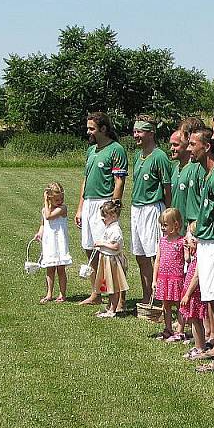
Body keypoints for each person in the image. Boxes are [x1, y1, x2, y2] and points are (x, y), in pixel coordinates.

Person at [75, 112, 128, 307]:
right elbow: (86, 179)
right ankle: (96, 293)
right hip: (89, 203)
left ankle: (120, 296)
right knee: (90, 248)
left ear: (103, 129)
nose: (87, 131)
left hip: (103, 203)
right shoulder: (91, 150)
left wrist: (114, 206)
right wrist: (80, 207)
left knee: (110, 252)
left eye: (91, 128)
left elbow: (119, 180)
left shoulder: (116, 150)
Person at [189, 127, 214, 365]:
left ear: (206, 147)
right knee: (210, 297)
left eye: (193, 144)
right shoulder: (207, 174)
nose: (189, 149)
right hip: (205, 241)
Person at [131, 114, 172, 306]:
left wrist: (168, 214)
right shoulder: (137, 156)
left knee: (155, 254)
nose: (135, 135)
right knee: (140, 255)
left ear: (150, 132)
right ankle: (147, 294)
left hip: (152, 209)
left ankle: (161, 297)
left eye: (139, 131)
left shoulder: (160, 156)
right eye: (134, 131)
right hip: (136, 208)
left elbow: (167, 188)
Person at [34, 181, 73, 304]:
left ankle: (62, 293)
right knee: (50, 269)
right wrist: (40, 233)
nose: (60, 201)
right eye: (57, 199)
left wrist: (46, 202)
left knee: (61, 269)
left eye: (62, 198)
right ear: (50, 198)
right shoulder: (44, 210)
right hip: (49, 242)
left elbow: (49, 216)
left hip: (59, 242)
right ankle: (49, 293)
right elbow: (44, 223)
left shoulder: (63, 208)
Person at [152, 207, 186, 340]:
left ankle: (180, 331)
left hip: (176, 278)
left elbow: (187, 259)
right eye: (162, 225)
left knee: (179, 305)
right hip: (163, 278)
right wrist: (155, 280)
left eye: (165, 225)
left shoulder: (182, 241)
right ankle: (168, 328)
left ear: (176, 225)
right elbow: (157, 261)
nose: (163, 228)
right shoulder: (162, 241)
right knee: (165, 305)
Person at [93, 200, 129, 318]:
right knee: (108, 285)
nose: (103, 218)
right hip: (106, 259)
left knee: (113, 286)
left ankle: (113, 309)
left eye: (105, 216)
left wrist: (102, 244)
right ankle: (109, 306)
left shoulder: (115, 230)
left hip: (112, 261)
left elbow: (116, 246)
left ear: (113, 216)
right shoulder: (109, 227)